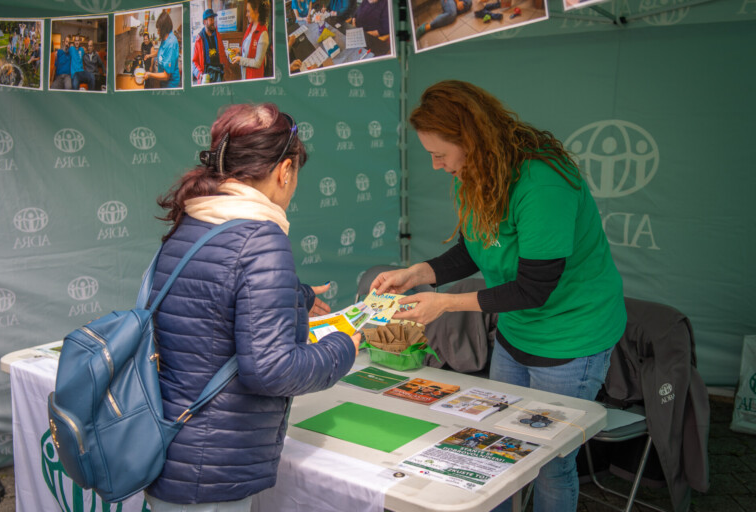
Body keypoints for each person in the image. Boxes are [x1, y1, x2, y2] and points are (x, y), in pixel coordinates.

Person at [371, 80, 626, 512]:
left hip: (571, 341)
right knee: (499, 451)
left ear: (470, 140)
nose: (435, 165)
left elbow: (534, 287)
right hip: (516, 333)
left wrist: (446, 304)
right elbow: (474, 248)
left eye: (439, 154)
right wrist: (418, 273)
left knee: (549, 461)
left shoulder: (543, 182)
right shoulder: (473, 173)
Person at [145, 102, 360, 510]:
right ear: (285, 170)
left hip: (173, 443)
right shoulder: (262, 238)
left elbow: (209, 302)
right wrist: (343, 344)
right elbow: (271, 370)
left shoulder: (195, 219)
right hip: (212, 464)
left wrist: (295, 297)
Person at [231, 0, 270, 80]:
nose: (246, 15)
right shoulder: (250, 27)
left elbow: (258, 63)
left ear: (256, 11)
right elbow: (249, 48)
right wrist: (239, 50)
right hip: (245, 75)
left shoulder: (263, 34)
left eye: (248, 11)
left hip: (254, 79)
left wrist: (240, 59)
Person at [192, 8, 230, 84]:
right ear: (204, 22)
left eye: (214, 19)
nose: (213, 22)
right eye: (211, 19)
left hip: (219, 75)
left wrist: (227, 69)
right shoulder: (199, 39)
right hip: (206, 77)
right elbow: (194, 62)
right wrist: (200, 74)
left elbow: (222, 54)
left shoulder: (218, 36)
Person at [144, 11, 180, 88]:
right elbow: (160, 51)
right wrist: (149, 55)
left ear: (164, 29)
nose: (157, 32)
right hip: (164, 82)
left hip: (170, 84)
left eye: (159, 30)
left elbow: (166, 76)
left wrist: (150, 74)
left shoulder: (171, 43)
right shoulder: (165, 37)